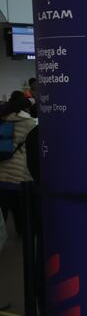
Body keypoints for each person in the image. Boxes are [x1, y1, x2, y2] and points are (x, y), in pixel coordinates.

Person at [0, 94, 36, 236]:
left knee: (3, 210)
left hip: (2, 171)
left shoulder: (2, 120)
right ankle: (24, 234)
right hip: (20, 173)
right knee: (21, 210)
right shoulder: (29, 123)